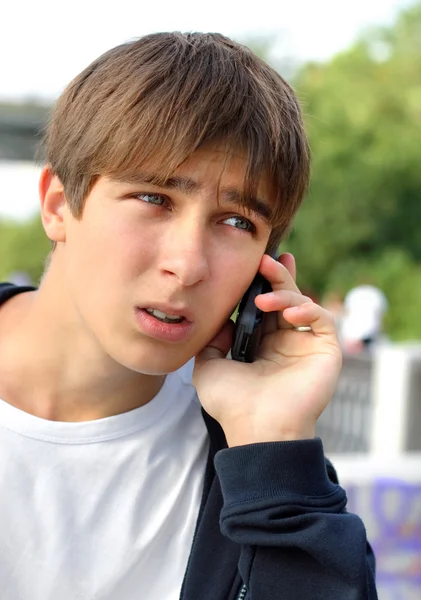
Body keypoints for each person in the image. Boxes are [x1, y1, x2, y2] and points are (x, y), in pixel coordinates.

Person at [0, 32, 377, 599]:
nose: (188, 264)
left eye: (236, 223)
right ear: (58, 204)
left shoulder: (253, 464)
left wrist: (274, 446)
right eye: (154, 199)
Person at [341, 283, 388, 353]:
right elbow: (381, 313)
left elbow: (346, 312)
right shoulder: (376, 293)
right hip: (369, 333)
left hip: (352, 334)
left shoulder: (354, 292)